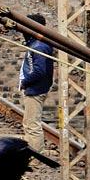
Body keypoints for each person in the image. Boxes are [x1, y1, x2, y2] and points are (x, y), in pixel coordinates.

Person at [18, 12, 54, 153]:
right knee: (29, 123)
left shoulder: (39, 46)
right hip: (34, 88)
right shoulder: (37, 44)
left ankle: (36, 155)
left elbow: (39, 71)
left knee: (32, 125)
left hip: (35, 90)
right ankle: (32, 153)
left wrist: (25, 82)